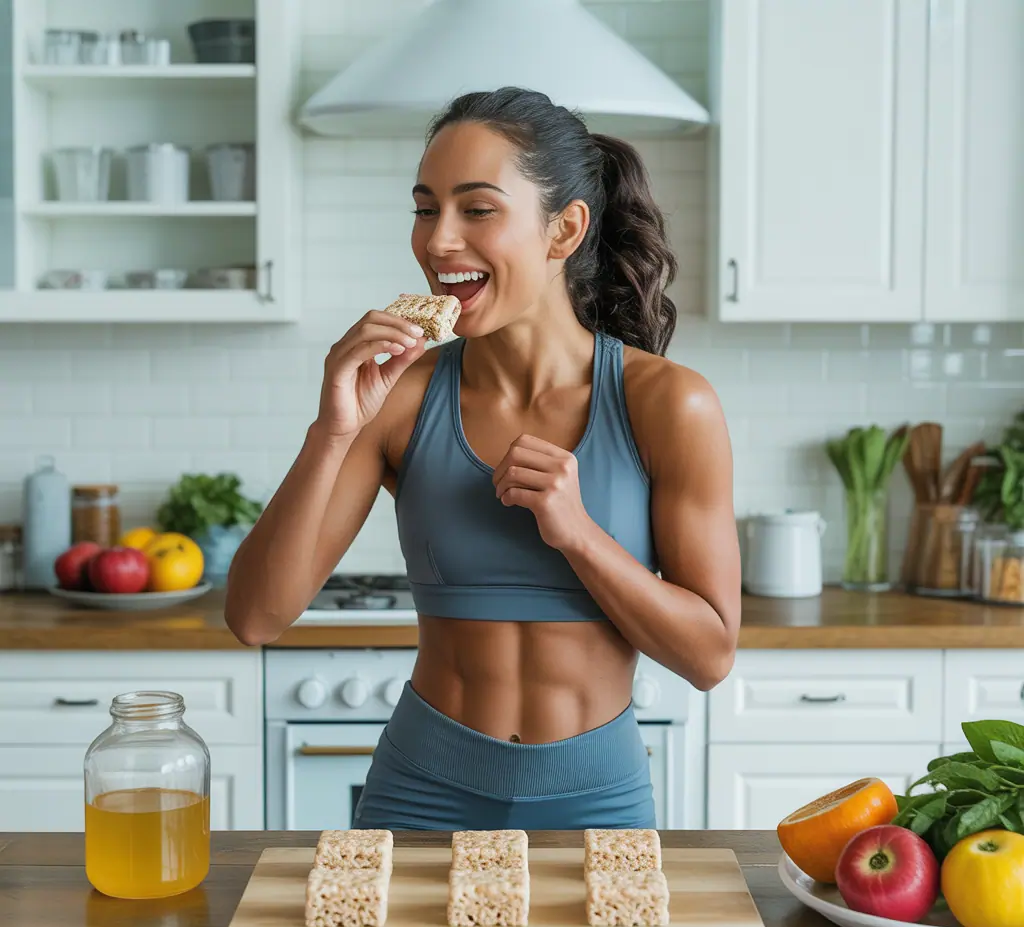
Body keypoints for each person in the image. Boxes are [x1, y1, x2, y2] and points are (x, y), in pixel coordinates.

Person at [225, 86, 741, 831]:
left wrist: (579, 534)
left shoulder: (668, 403)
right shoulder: (397, 397)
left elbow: (709, 656)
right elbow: (255, 618)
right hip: (419, 792)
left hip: (596, 799)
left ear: (563, 230)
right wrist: (333, 430)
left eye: (477, 209)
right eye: (426, 208)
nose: (437, 242)